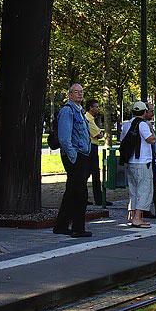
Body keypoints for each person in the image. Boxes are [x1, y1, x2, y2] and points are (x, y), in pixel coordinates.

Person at [54, 84, 93, 237]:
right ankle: (78, 228)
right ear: (69, 94)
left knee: (71, 192)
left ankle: (61, 226)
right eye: (76, 92)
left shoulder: (80, 111)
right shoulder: (67, 111)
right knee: (80, 193)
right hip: (75, 156)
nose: (79, 94)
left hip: (81, 155)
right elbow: (64, 138)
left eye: (81, 92)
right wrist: (73, 156)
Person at [121, 101, 156, 228]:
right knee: (144, 190)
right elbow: (151, 140)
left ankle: (132, 215)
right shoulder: (143, 125)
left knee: (133, 190)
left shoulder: (127, 124)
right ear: (144, 112)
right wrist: (151, 130)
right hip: (142, 162)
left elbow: (122, 140)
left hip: (130, 162)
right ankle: (137, 218)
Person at [84, 98, 108, 206]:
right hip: (91, 148)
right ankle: (98, 199)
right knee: (94, 173)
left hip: (90, 147)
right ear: (91, 108)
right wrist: (99, 134)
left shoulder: (90, 119)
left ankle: (83, 197)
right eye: (96, 107)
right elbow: (98, 134)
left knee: (87, 173)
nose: (98, 109)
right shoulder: (87, 119)